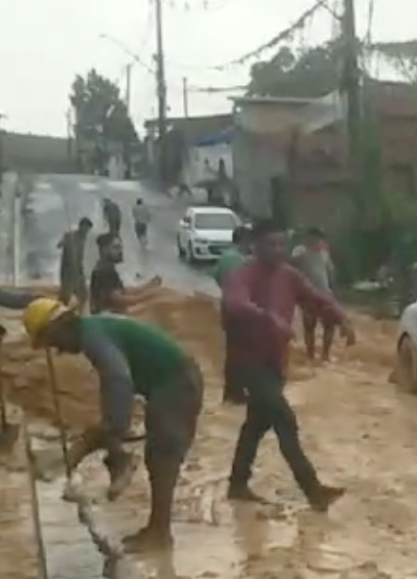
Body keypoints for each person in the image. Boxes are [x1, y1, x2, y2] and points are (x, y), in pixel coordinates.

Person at [21, 298, 203, 552]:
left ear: (59, 327)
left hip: (176, 382)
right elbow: (113, 385)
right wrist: (107, 431)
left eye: (53, 342)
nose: (59, 350)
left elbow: (117, 377)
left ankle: (159, 534)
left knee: (162, 457)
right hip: (167, 382)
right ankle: (150, 517)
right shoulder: (94, 329)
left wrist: (111, 428)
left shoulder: (93, 337)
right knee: (149, 452)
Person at [222, 218, 356, 510]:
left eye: (282, 243)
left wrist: (341, 319)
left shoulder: (289, 276)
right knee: (285, 421)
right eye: (270, 244)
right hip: (248, 363)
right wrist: (268, 317)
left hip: (275, 363)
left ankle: (237, 483)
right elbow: (235, 304)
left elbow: (316, 300)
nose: (277, 250)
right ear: (255, 246)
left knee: (255, 425)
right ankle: (313, 490)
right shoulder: (242, 275)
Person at [212, 225, 252, 404]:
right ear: (245, 240)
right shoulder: (240, 260)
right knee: (243, 351)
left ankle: (231, 391)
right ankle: (237, 391)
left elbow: (216, 276)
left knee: (232, 350)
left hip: (226, 307)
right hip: (240, 309)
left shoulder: (225, 257)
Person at [290, 227, 338, 362]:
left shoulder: (324, 254)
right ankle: (310, 355)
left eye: (319, 238)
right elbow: (291, 265)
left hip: (325, 293)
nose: (316, 241)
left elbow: (331, 272)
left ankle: (325, 355)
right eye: (314, 238)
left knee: (329, 325)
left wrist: (333, 291)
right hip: (308, 294)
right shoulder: (300, 252)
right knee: (309, 325)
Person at [89, 233, 162, 314]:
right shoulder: (105, 271)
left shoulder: (105, 267)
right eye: (116, 248)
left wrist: (148, 286)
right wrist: (151, 296)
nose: (120, 251)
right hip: (110, 320)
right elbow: (121, 300)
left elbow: (122, 291)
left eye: (121, 247)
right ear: (104, 250)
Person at [57, 217, 93, 307]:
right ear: (81, 226)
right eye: (86, 228)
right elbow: (59, 245)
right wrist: (65, 241)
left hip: (79, 270)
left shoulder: (85, 239)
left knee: (83, 295)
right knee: (65, 296)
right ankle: (60, 312)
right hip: (68, 271)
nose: (87, 231)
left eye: (88, 229)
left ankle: (81, 313)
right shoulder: (70, 236)